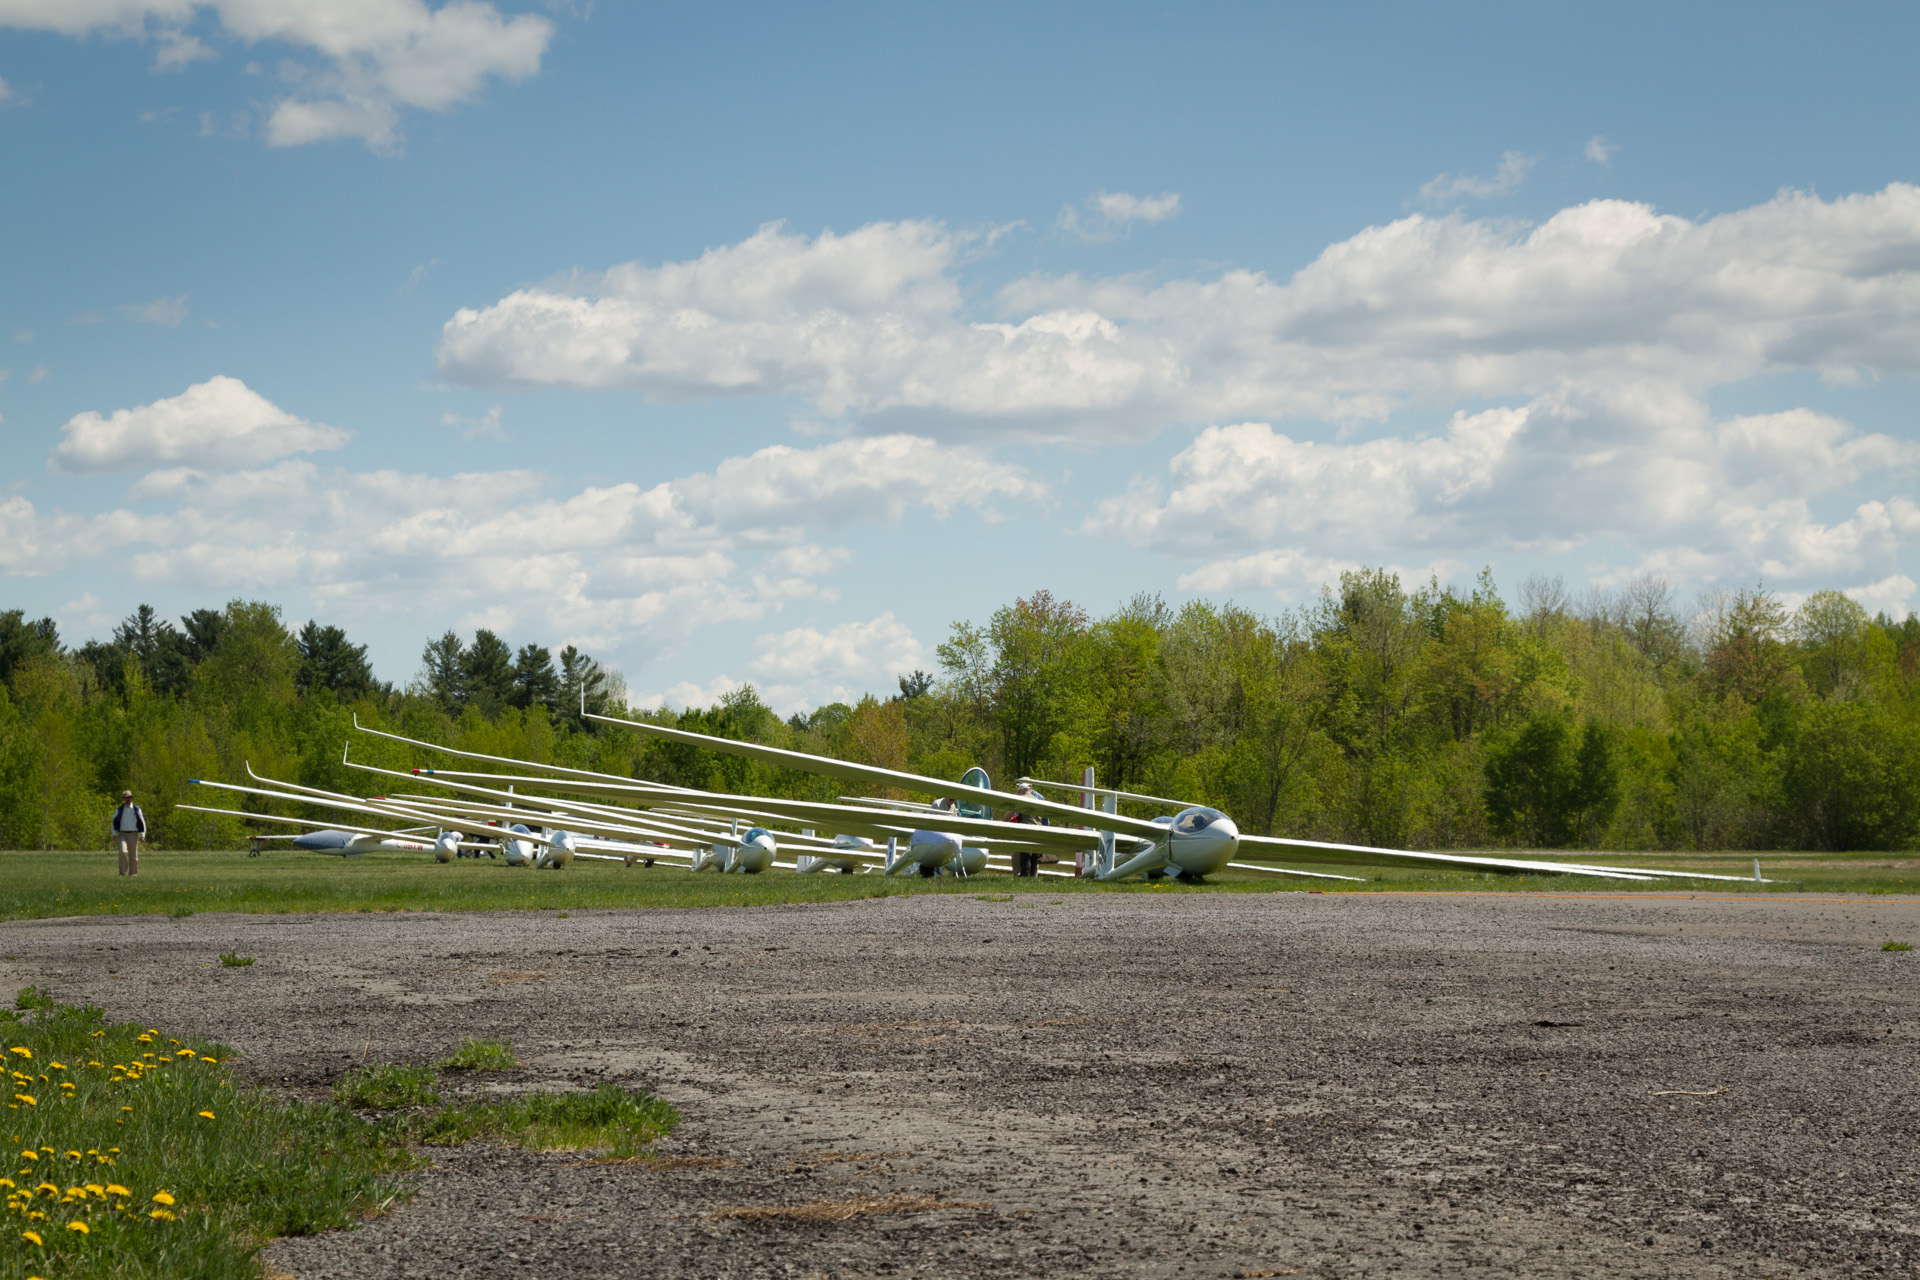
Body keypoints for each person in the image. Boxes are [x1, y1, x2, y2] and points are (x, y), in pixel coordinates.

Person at [110, 789, 146, 877]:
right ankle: (122, 872)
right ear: (123, 799)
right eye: (126, 798)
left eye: (130, 797)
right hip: (122, 834)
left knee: (133, 856)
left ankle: (133, 874)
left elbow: (142, 822)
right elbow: (113, 822)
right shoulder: (119, 810)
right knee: (122, 851)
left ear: (132, 798)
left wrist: (142, 835)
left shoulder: (137, 809)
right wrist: (114, 834)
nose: (128, 799)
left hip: (134, 834)